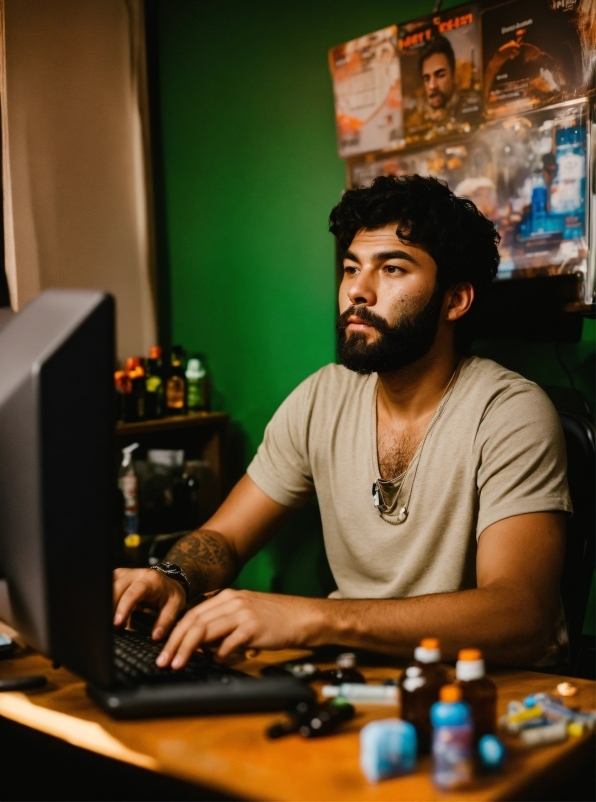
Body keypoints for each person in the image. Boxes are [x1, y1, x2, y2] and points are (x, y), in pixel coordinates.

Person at [113, 175, 571, 671]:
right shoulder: (323, 397)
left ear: (455, 300)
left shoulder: (509, 412)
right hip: (352, 677)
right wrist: (169, 576)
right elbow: (223, 538)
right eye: (351, 268)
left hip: (486, 693)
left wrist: (317, 618)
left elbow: (523, 615)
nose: (357, 290)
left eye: (392, 268)